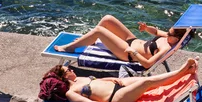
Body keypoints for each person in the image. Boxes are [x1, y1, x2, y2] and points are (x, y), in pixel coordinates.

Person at [39, 57, 199, 102]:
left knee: (148, 79)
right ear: (64, 77)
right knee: (146, 84)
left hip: (117, 86)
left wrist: (114, 79)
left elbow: (97, 81)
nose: (72, 70)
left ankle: (185, 71)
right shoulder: (71, 93)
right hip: (116, 99)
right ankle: (182, 71)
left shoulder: (79, 79)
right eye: (69, 71)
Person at [53, 15, 191, 69]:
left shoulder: (166, 48)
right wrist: (146, 28)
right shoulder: (169, 36)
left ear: (177, 39)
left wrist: (134, 52)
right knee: (108, 19)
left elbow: (148, 64)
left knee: (99, 31)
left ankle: (69, 48)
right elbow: (156, 32)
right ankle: (91, 41)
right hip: (133, 40)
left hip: (127, 53)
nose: (168, 32)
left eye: (171, 32)